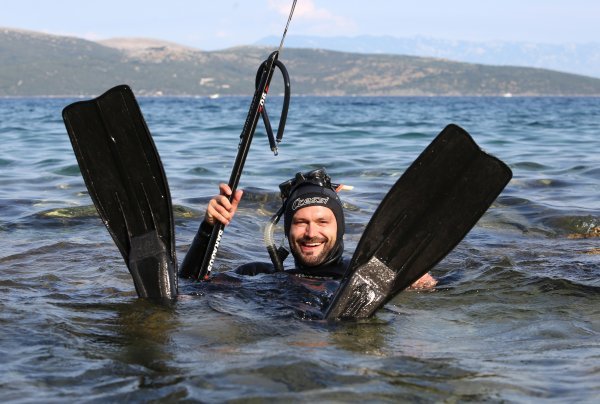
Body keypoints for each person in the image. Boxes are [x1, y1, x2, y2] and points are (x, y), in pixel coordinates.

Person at [190, 168, 436, 288]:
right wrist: (208, 229)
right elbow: (190, 288)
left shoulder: (362, 275)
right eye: (300, 222)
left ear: (339, 229)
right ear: (287, 230)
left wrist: (423, 283)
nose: (311, 233)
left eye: (322, 222)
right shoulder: (256, 274)